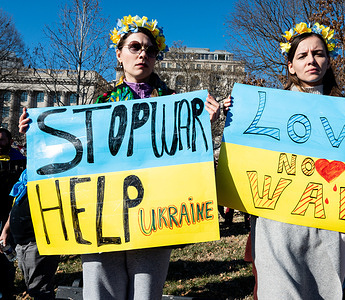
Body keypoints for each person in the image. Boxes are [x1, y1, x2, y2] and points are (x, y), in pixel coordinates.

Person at [18, 15, 222, 300]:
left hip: (155, 220)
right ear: (119, 53)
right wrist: (36, 133)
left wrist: (205, 121)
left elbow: (190, 157)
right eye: (135, 47)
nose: (143, 54)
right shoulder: (99, 103)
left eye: (150, 50)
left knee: (146, 295)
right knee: (100, 292)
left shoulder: (178, 104)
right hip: (101, 221)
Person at [221, 22, 345, 299]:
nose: (311, 60)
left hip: (329, 228)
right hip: (277, 228)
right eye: (302, 55)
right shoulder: (263, 109)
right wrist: (233, 117)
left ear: (328, 62)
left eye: (318, 53)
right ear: (290, 65)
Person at [0, 169, 60, 299]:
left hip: (38, 243)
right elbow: (16, 206)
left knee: (40, 291)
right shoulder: (26, 177)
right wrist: (5, 230)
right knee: (33, 288)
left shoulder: (50, 174)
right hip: (22, 244)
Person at [0, 127, 26, 299]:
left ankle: (7, 291)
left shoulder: (21, 161)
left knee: (5, 252)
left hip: (10, 214)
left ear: (10, 141)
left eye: (2, 139)